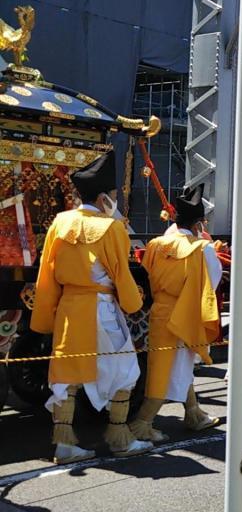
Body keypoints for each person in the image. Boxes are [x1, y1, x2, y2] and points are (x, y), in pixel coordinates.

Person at [31, 153, 153, 463]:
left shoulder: (60, 221)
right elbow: (121, 274)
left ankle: (64, 444)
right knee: (127, 371)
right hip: (100, 308)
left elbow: (46, 272)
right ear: (103, 198)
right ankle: (120, 437)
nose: (115, 200)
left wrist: (46, 314)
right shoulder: (110, 228)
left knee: (66, 375)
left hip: (69, 306)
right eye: (114, 196)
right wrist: (134, 304)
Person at [130, 184, 222, 442]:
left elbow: (147, 276)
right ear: (198, 225)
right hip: (185, 311)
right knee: (174, 368)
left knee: (170, 365)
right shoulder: (202, 248)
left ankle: (194, 413)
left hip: (159, 310)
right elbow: (212, 281)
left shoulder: (156, 244)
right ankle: (143, 422)